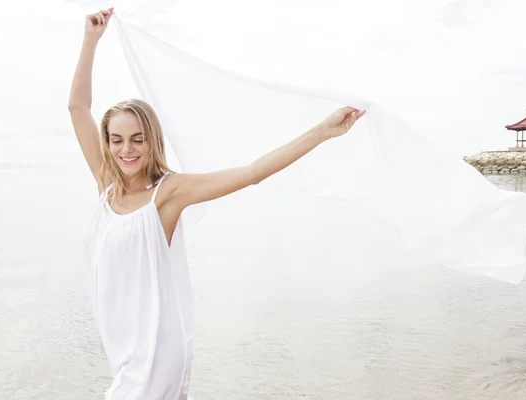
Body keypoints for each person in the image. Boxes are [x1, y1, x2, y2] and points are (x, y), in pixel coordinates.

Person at [68, 7, 366, 400]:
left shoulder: (168, 195)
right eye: (117, 139)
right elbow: (78, 108)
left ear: (152, 141)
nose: (127, 149)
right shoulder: (107, 187)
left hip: (157, 350)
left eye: (138, 138)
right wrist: (91, 41)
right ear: (107, 143)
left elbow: (252, 172)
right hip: (121, 347)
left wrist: (323, 132)